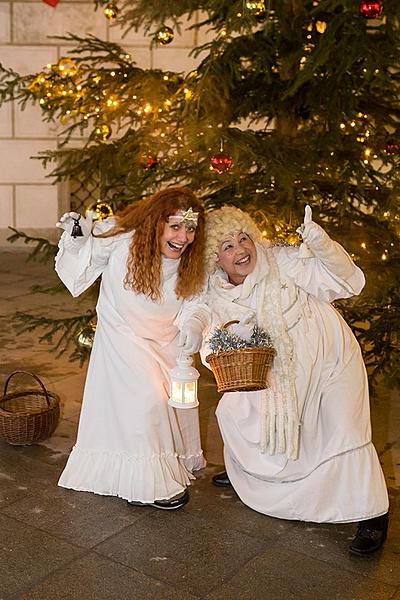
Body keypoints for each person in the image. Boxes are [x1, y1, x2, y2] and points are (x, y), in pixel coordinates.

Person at [196, 204, 389, 553]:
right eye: (228, 246)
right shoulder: (217, 294)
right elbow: (212, 340)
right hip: (274, 370)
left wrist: (321, 243)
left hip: (329, 359)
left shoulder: (282, 261)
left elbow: (343, 280)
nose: (240, 250)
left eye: (243, 238)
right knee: (233, 411)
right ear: (216, 259)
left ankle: (372, 514)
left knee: (343, 427)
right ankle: (249, 474)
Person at [54, 186, 207, 510]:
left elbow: (197, 302)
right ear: (156, 224)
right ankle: (151, 485)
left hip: (166, 342)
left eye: (191, 228)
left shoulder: (192, 261)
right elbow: (83, 266)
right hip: (121, 335)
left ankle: (137, 476)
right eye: (176, 226)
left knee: (158, 409)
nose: (184, 236)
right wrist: (79, 236)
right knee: (145, 403)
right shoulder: (123, 239)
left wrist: (193, 325)